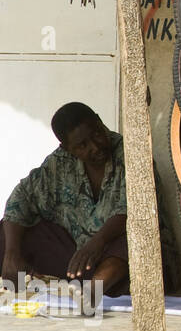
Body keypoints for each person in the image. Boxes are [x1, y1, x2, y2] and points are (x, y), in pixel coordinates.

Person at [1, 103, 130, 295]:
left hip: (114, 260)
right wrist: (12, 253)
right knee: (8, 231)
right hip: (78, 258)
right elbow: (21, 198)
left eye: (96, 134)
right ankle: (23, 281)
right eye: (82, 145)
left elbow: (130, 210)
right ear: (67, 148)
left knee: (131, 241)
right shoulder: (60, 162)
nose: (95, 147)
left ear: (99, 120)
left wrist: (98, 242)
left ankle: (93, 292)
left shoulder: (129, 154)